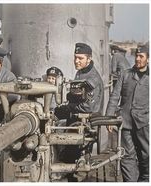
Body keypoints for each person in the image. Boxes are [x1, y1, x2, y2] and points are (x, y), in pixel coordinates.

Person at [106, 44, 149, 182]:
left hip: (144, 124)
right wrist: (109, 118)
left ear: (148, 59)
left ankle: (145, 180)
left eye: (141, 56)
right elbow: (114, 96)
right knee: (127, 156)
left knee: (146, 155)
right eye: (136, 56)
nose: (137, 59)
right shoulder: (126, 74)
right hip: (125, 123)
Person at [55, 43, 104, 122]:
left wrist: (68, 107)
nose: (76, 61)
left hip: (87, 123)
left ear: (89, 59)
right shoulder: (81, 72)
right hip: (76, 118)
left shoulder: (93, 79)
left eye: (80, 58)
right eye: (75, 57)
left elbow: (88, 107)